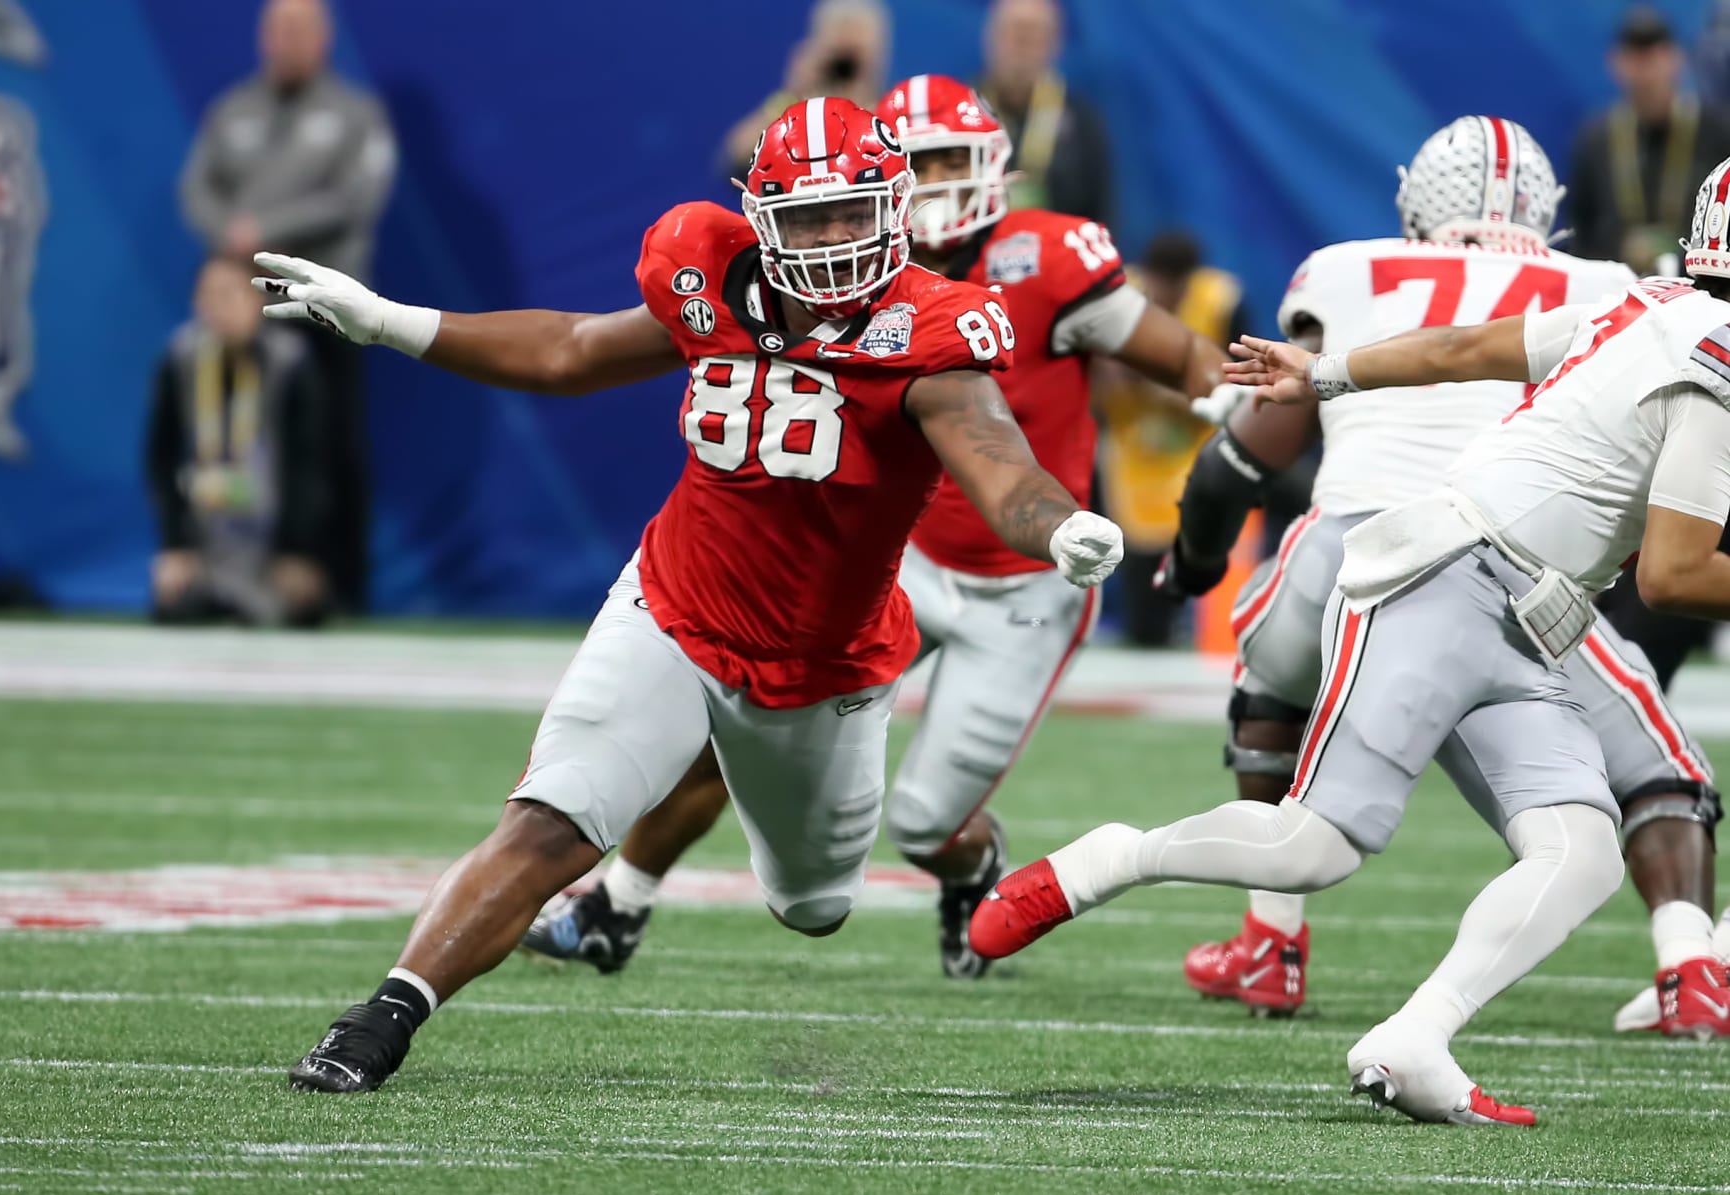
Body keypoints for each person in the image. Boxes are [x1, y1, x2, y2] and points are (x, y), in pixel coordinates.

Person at [260, 97, 1125, 1093]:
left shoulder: (928, 328)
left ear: (894, 207)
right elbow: (570, 351)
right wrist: (389, 322)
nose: (835, 239)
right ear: (761, 219)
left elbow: (999, 465)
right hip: (675, 609)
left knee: (813, 904)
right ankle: (384, 1017)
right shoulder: (704, 272)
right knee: (551, 821)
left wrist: (1058, 525)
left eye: (852, 213)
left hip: (823, 668)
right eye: (808, 219)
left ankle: (702, 850)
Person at [974, 156, 1730, 1124]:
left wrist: (1325, 370)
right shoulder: (1706, 363)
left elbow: (1466, 351)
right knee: (1313, 846)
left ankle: (1417, 1037)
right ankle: (1108, 859)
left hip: (1529, 610)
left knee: (1581, 847)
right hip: (1442, 572)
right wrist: (1317, 375)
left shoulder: (1649, 305)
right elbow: (1673, 572)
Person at [518, 75, 1239, 979]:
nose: (938, 183)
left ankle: (969, 864)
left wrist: (1246, 427)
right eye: (921, 160)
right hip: (905, 559)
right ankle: (617, 902)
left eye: (952, 162)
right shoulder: (821, 272)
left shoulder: (1047, 261)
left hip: (1023, 579)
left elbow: (1177, 356)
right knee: (741, 711)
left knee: (926, 820)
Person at [1159, 118, 1721, 1038]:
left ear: (1416, 199)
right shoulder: (1618, 290)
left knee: (1274, 676)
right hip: (1510, 561)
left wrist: (1192, 562)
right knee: (1654, 760)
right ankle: (1689, 967)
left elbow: (1245, 458)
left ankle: (1270, 940)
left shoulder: (1346, 269)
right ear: (1546, 211)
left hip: (1343, 551)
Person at [181, 0, 396, 612]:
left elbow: (356, 198)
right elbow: (196, 187)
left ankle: (341, 581)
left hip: (327, 305)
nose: (288, 41)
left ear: (323, 39)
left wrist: (264, 230)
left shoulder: (356, 114)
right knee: (234, 436)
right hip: (243, 305)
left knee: (332, 440)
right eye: (278, 29)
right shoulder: (234, 110)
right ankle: (231, 577)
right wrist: (229, 232)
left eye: (300, 29)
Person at [145, 257, 334, 627]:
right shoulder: (181, 357)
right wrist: (174, 547)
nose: (219, 307)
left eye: (230, 295)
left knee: (302, 609)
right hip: (205, 544)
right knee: (174, 609)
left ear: (256, 302)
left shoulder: (290, 361)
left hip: (272, 546)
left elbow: (311, 463)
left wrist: (296, 550)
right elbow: (160, 457)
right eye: (208, 295)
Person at [1097, 232, 1249, 646]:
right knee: (1129, 542)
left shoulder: (1221, 301)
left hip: (1197, 438)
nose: (1163, 294)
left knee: (1193, 532)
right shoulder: (1114, 296)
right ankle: (1135, 625)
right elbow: (1094, 368)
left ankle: (1195, 621)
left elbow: (1235, 381)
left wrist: (1164, 386)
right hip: (1130, 439)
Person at [1570, 6, 1730, 272]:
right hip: (1613, 294)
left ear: (1676, 60)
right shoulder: (1595, 140)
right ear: (1616, 64)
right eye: (1636, 60)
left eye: (1653, 59)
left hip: (1699, 288)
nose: (1645, 75)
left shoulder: (1718, 132)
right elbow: (1581, 234)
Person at [717, 0, 891, 181]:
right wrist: (792, 96)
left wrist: (860, 106)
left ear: (880, 53)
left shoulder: (895, 112)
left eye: (854, 56)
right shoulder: (794, 113)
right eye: (839, 56)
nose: (845, 67)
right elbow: (736, 157)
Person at [976, 0, 1112, 223]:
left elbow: (1102, 213)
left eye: (1033, 37)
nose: (1022, 48)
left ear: (1054, 45)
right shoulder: (961, 113)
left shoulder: (1082, 122)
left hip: (1059, 251)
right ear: (990, 38)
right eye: (1015, 34)